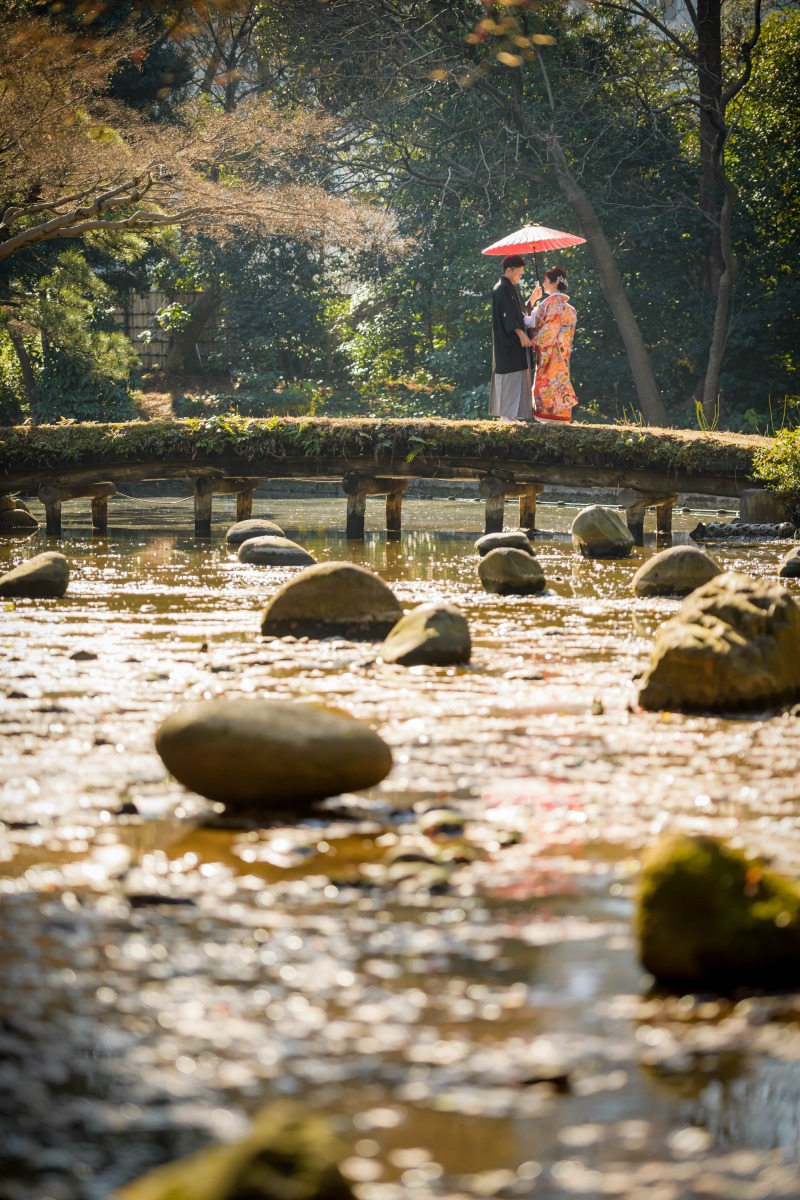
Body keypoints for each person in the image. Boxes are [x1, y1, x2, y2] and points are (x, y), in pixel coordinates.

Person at [526, 266, 578, 424]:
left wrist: (533, 339)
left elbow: (550, 328)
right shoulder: (563, 305)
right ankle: (559, 417)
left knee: (550, 381)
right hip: (561, 351)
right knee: (557, 381)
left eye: (545, 280)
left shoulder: (554, 304)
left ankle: (552, 417)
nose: (543, 283)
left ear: (554, 283)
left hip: (552, 351)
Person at [488, 254, 533, 422]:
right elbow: (508, 316)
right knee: (508, 377)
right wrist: (521, 335)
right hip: (507, 341)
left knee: (516, 377)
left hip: (515, 342)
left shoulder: (511, 288)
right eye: (519, 272)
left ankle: (510, 415)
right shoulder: (501, 288)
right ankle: (505, 415)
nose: (520, 275)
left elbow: (520, 312)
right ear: (508, 270)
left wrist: (533, 299)